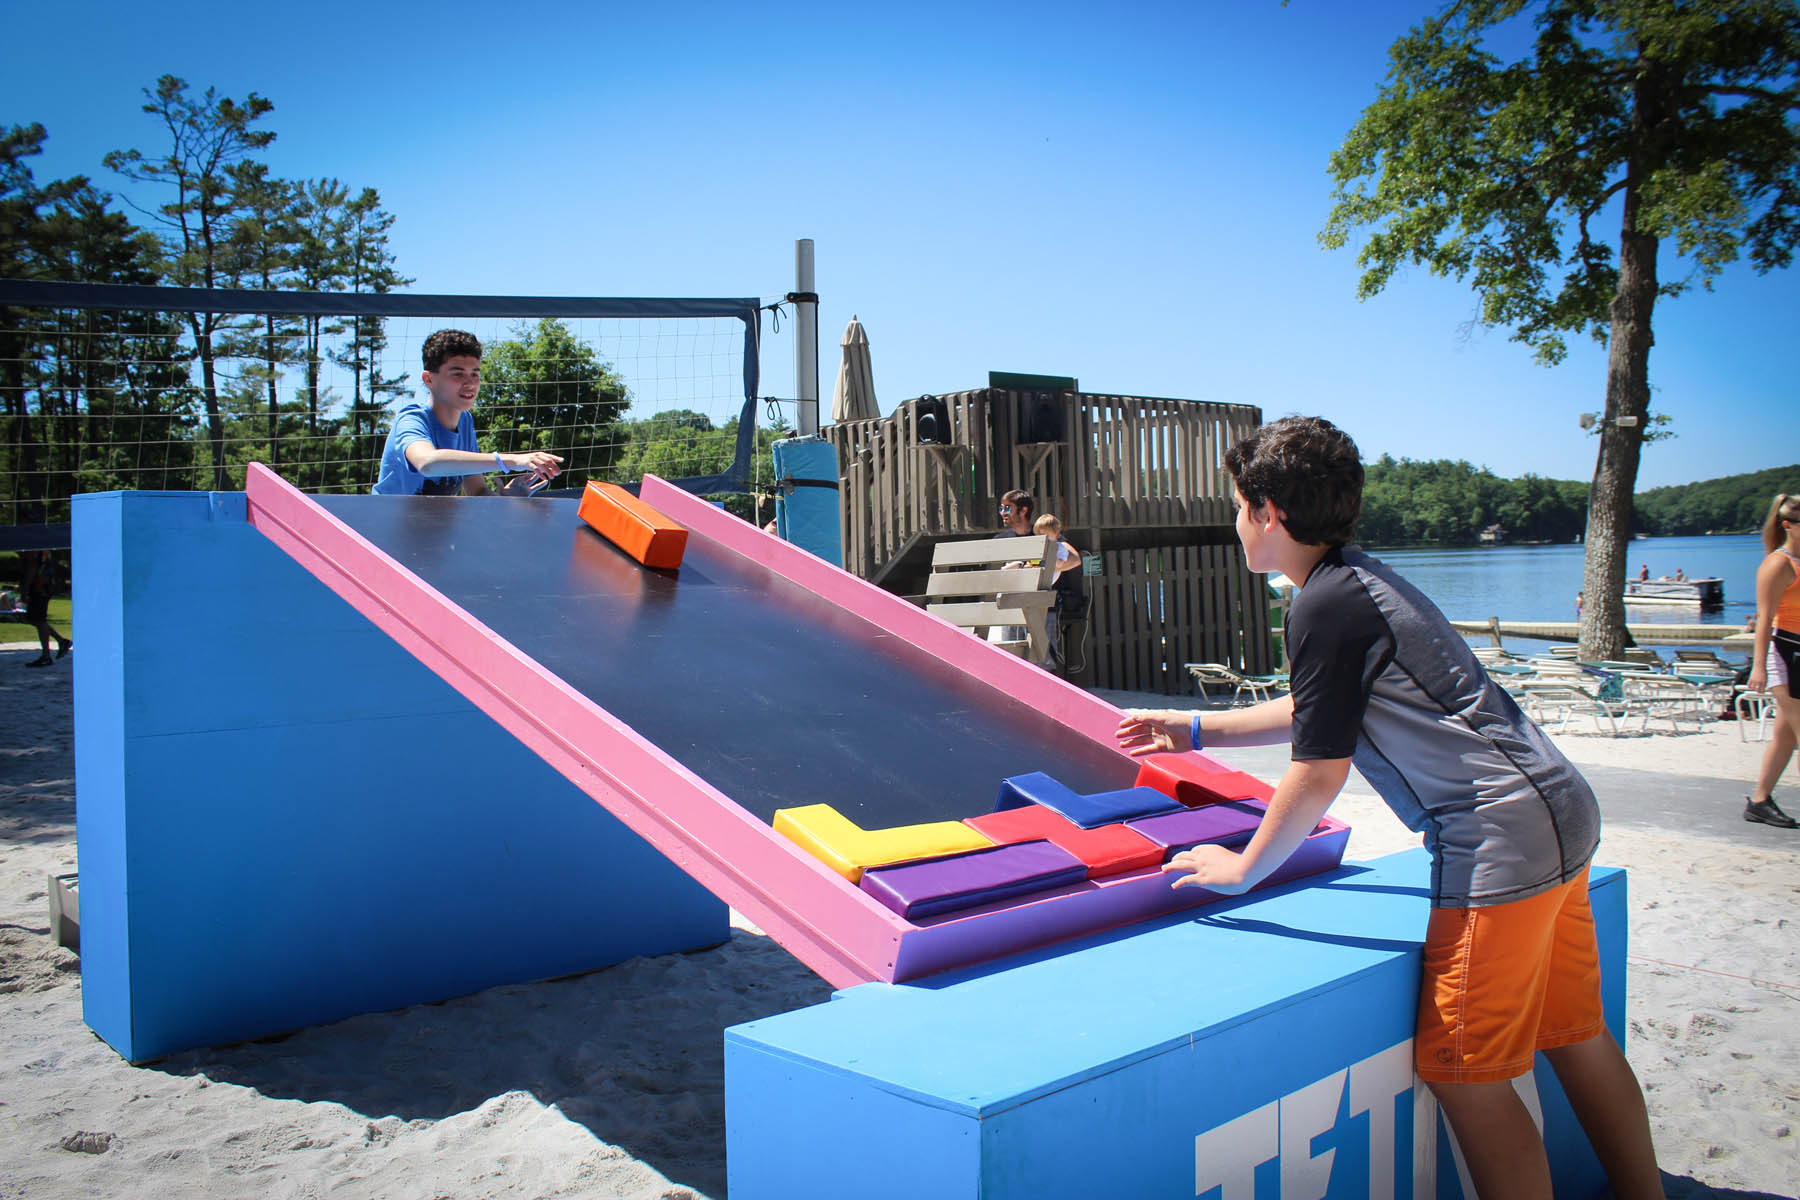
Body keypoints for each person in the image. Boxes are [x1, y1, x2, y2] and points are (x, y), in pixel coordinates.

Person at [1115, 416, 1662, 1200]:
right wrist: (1193, 727)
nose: (1235, 523)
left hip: (1500, 836)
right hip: (1559, 807)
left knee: (1465, 1072)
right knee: (1575, 1033)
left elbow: (1316, 772)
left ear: (1268, 511)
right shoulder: (1355, 583)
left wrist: (1242, 871)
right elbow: (1315, 708)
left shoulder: (1324, 606)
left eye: (1238, 506)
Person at [372, 329, 564, 497]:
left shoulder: (464, 420)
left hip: (432, 533)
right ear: (428, 379)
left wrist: (507, 501)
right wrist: (512, 460)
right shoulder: (412, 419)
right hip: (383, 535)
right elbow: (427, 463)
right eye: (458, 374)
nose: (470, 383)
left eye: (475, 374)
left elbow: (478, 491)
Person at [1744, 493, 1800, 829]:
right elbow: (1764, 620)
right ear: (1788, 525)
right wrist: (1759, 666)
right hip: (1788, 654)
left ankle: (1760, 801)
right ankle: (1760, 802)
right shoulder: (1778, 564)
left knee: (1786, 735)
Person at [1033, 513, 1082, 674]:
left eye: (1046, 534)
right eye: (1039, 534)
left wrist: (1050, 561)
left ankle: (1047, 673)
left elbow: (1064, 562)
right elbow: (1032, 563)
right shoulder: (1037, 547)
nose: (1043, 538)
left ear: (1056, 534)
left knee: (1046, 644)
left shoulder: (1059, 547)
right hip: (1034, 589)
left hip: (1047, 593)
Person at [21, 550, 71, 668]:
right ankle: (60, 642)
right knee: (34, 619)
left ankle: (47, 655)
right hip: (43, 589)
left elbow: (32, 569)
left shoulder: (34, 553)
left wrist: (25, 589)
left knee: (38, 620)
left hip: (39, 590)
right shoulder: (43, 553)